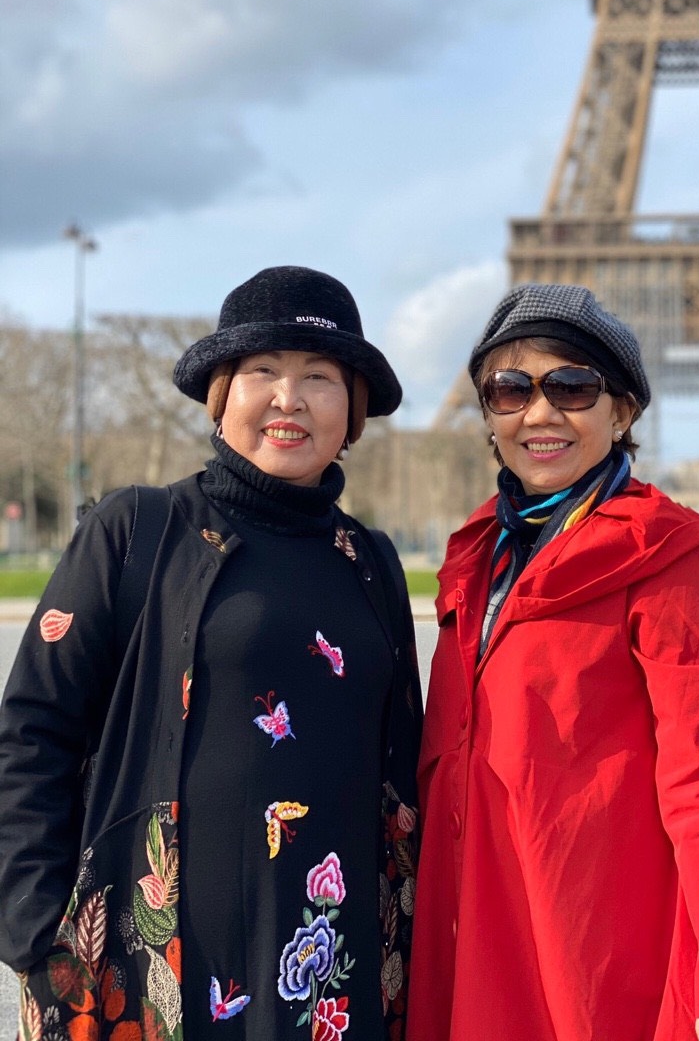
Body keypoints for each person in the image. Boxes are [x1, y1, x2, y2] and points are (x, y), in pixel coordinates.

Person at [0, 266, 422, 1041]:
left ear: (353, 410)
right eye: (263, 370)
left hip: (331, 962)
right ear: (221, 396)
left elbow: (403, 764)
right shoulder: (138, 530)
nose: (289, 398)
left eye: (319, 377)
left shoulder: (372, 562)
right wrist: (34, 930)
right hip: (150, 963)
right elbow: (32, 731)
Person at [407, 283, 699, 1041]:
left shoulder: (667, 553)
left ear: (623, 411)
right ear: (489, 414)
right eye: (510, 389)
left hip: (591, 925)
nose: (540, 412)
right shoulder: (479, 548)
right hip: (471, 910)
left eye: (572, 387)